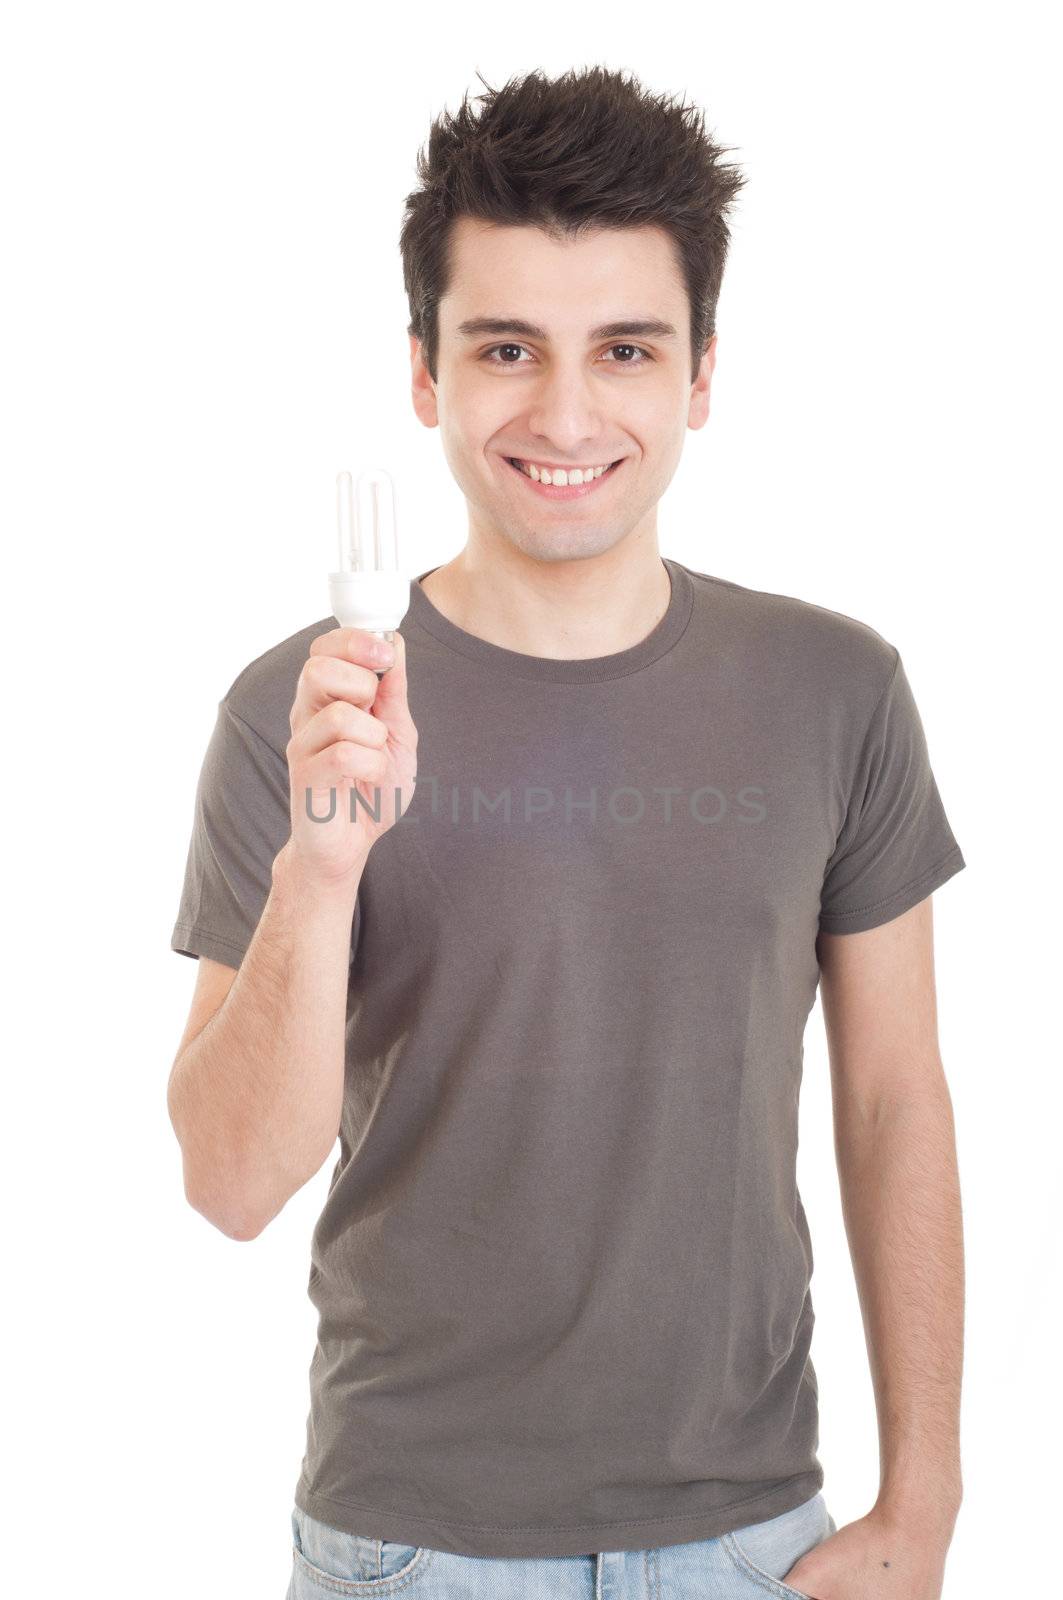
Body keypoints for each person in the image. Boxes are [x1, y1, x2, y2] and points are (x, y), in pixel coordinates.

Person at [167, 66, 967, 1600]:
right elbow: (229, 1181)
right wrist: (322, 865)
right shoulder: (302, 706)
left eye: (625, 350)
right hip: (408, 1547)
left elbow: (894, 1102)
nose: (566, 413)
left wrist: (922, 1503)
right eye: (507, 348)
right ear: (425, 372)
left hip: (751, 1541)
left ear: (702, 376)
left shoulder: (837, 689)